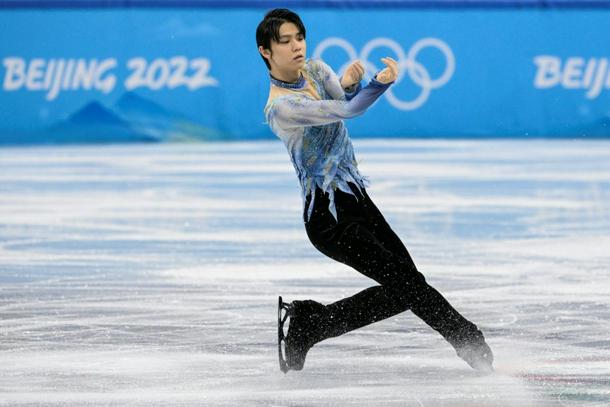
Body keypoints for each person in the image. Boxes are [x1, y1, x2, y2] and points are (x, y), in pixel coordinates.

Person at [256, 8, 494, 374]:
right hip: (328, 219)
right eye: (285, 42)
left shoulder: (316, 69)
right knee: (407, 284)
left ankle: (312, 324)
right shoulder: (281, 107)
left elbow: (341, 98)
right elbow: (349, 110)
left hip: (357, 201)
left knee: (407, 286)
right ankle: (469, 342)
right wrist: (378, 84)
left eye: (299, 37)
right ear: (266, 51)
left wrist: (350, 83)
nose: (296, 46)